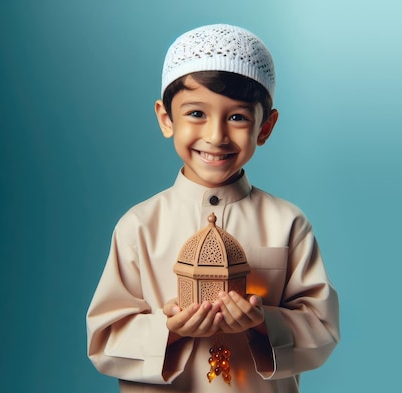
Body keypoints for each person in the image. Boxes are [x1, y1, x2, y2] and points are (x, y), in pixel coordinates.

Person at [86, 23, 340, 393]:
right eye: (196, 114)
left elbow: (323, 328)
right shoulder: (139, 225)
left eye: (237, 117)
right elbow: (104, 337)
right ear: (165, 118)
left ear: (265, 128)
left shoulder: (288, 222)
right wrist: (168, 331)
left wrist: (260, 323)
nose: (216, 135)